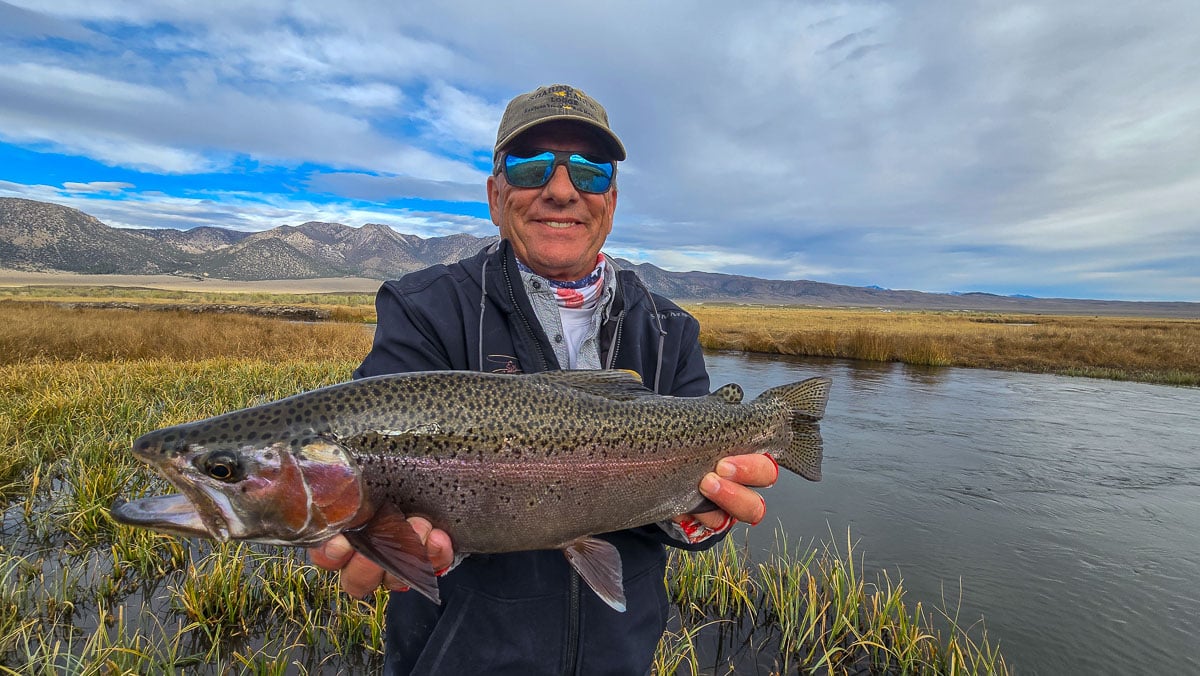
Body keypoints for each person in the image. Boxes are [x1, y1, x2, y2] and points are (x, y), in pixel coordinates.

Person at [310, 84, 779, 675]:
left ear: (611, 198)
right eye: (531, 166)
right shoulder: (425, 308)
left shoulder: (669, 328)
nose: (561, 189)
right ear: (495, 193)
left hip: (620, 658)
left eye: (589, 169)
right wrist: (373, 534)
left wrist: (705, 515)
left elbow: (682, 519)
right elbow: (367, 444)